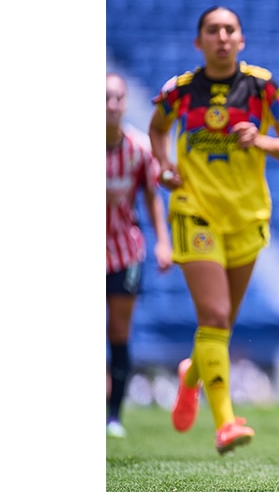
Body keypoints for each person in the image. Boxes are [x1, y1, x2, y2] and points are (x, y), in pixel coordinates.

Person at [148, 6, 279, 455]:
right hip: (194, 211)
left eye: (229, 30)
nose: (221, 37)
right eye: (212, 30)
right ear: (198, 42)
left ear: (241, 39)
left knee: (221, 326)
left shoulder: (262, 86)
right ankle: (225, 423)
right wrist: (163, 168)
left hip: (246, 217)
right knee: (214, 318)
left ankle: (191, 374)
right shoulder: (179, 91)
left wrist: (260, 140)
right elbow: (157, 130)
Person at [107, 71, 173, 438]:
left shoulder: (137, 147)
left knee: (118, 331)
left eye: (118, 98)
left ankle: (113, 415)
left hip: (123, 250)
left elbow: (151, 195)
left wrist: (163, 242)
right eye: (105, 98)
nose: (112, 105)